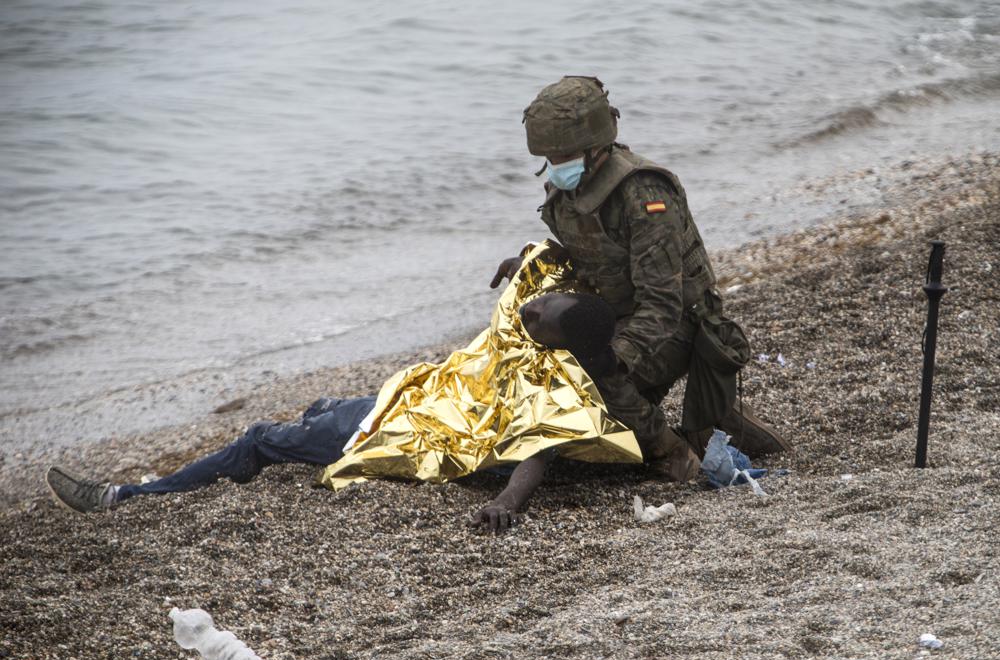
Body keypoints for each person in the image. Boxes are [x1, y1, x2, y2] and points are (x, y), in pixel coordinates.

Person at [46, 292, 620, 535]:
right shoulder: (538, 353)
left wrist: (505, 503)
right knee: (319, 407)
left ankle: (125, 497)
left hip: (398, 433)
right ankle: (292, 439)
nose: (530, 309)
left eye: (542, 313)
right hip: (406, 401)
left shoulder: (553, 395)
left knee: (259, 438)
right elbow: (539, 278)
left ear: (559, 343)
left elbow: (536, 457)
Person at [490, 76, 790, 482]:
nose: (556, 165)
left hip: (680, 323)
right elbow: (593, 256)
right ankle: (710, 415)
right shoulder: (570, 189)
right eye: (549, 157)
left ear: (595, 146)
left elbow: (664, 305)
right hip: (620, 310)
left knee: (596, 379)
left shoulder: (644, 194)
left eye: (564, 156)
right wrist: (532, 263)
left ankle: (674, 450)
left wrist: (615, 358)